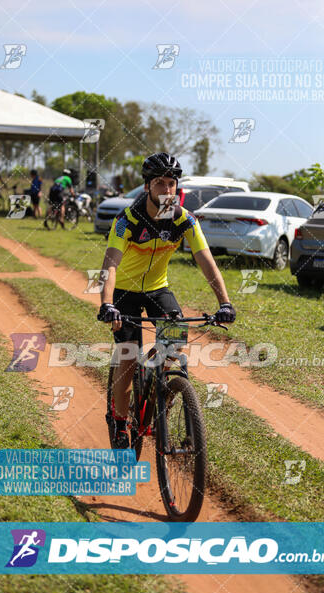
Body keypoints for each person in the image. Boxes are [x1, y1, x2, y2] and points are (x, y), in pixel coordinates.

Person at [97, 152, 236, 449]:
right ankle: (120, 421)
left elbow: (207, 262)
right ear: (147, 186)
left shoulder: (184, 219)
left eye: (171, 183)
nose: (167, 190)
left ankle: (162, 400)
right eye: (159, 183)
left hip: (159, 288)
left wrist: (225, 302)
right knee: (127, 355)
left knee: (173, 346)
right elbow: (109, 265)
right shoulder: (128, 220)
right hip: (124, 291)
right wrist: (107, 304)